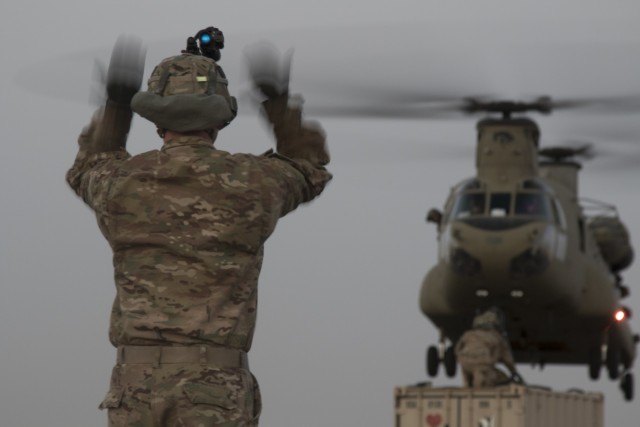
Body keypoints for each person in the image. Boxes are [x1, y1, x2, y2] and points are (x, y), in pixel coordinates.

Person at [66, 33, 332, 426]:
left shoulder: (119, 182)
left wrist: (116, 106)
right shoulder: (252, 183)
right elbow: (308, 167)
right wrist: (277, 102)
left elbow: (87, 166)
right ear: (220, 117)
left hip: (135, 387)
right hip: (214, 389)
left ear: (156, 119)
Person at [454, 307, 522, 388]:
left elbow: (457, 349)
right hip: (482, 365)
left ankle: (467, 389)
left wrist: (462, 359)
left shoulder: (468, 335)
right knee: (499, 379)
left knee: (468, 384)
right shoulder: (497, 337)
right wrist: (514, 372)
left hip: (465, 364)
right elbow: (508, 360)